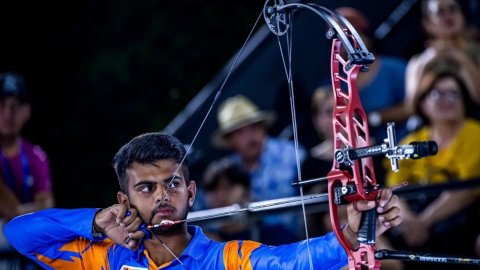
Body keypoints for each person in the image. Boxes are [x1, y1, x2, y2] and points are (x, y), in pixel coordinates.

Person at [4, 132, 401, 269]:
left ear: (191, 193)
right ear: (123, 200)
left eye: (172, 184)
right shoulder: (104, 257)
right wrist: (95, 222)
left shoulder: (222, 260)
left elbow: (288, 263)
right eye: (146, 188)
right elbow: (20, 234)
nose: (163, 195)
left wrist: (354, 231)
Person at [385, 67, 480, 268]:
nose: (448, 100)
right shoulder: (412, 141)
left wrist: (423, 223)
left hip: (461, 215)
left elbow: (464, 191)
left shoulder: (475, 134)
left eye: (454, 93)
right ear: (423, 104)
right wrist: (409, 221)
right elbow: (395, 189)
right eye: (438, 94)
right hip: (412, 215)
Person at [210, 94, 306, 244]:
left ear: (263, 128)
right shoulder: (225, 172)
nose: (250, 136)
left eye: (254, 127)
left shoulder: (293, 155)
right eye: (240, 132)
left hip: (300, 242)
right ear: (229, 141)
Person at [0, 71, 55, 269]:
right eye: (2, 105)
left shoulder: (36, 155)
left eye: (15, 107)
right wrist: (28, 211)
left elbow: (47, 206)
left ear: (27, 111)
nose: (8, 114)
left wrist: (17, 212)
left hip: (21, 242)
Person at [335, 7, 410, 144]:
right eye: (340, 41)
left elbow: (413, 106)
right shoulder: (335, 82)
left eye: (352, 37)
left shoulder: (395, 68)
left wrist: (372, 118)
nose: (348, 46)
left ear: (366, 36)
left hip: (400, 144)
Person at [405, 0, 480, 117]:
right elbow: (411, 108)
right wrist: (425, 63)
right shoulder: (419, 61)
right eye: (440, 12)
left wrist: (460, 58)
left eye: (453, 9)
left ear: (462, 15)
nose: (448, 15)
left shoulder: (476, 51)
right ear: (428, 24)